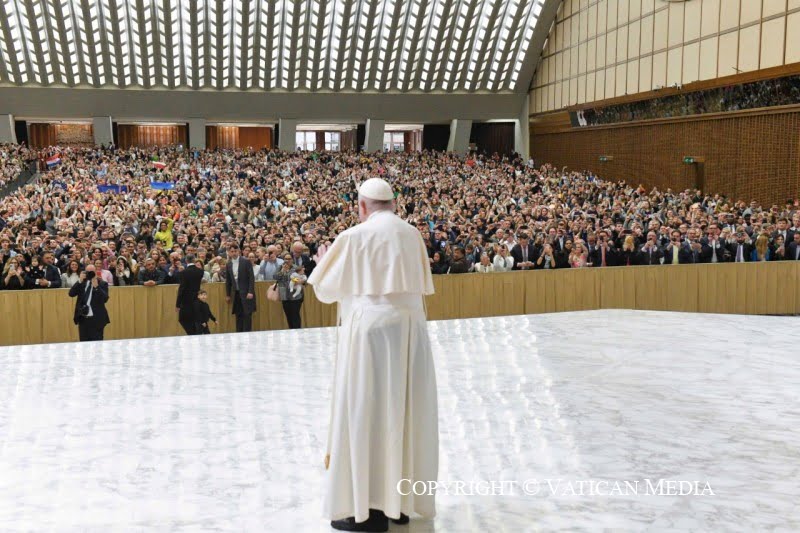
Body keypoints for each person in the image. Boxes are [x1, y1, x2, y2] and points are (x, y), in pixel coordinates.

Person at [308, 177, 438, 532]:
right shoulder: (412, 234)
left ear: (361, 206)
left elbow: (325, 290)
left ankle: (365, 509)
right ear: (393, 205)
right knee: (405, 412)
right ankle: (399, 504)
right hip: (411, 329)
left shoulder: (353, 236)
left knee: (365, 412)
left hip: (369, 333)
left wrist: (322, 263)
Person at [68, 264, 110, 342]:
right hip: (83, 319)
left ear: (96, 272)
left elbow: (105, 299)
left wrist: (97, 287)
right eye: (88, 272)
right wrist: (79, 281)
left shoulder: (102, 284)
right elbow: (71, 294)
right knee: (84, 345)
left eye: (92, 272)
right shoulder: (82, 283)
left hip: (97, 320)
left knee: (97, 345)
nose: (90, 274)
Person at [225, 244, 256, 332]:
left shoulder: (245, 261)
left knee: (247, 314)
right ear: (229, 253)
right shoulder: (229, 264)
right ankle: (239, 333)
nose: (234, 253)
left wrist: (250, 291)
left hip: (246, 292)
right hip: (236, 293)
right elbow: (228, 281)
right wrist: (228, 295)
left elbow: (251, 278)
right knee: (238, 314)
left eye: (235, 251)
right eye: (231, 252)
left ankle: (247, 333)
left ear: (238, 251)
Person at [176, 254, 205, 335]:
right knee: (195, 318)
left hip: (186, 301)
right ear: (194, 260)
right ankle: (195, 333)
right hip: (197, 298)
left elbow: (182, 289)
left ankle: (192, 334)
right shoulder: (200, 271)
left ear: (186, 261)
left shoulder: (183, 273)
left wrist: (178, 304)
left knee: (183, 319)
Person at [275, 258, 305, 329]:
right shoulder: (280, 268)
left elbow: (304, 280)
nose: (287, 261)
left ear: (292, 260)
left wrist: (301, 281)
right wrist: (282, 271)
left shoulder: (296, 268)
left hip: (296, 297)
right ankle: (291, 330)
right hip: (285, 296)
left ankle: (297, 330)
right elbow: (275, 277)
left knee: (295, 315)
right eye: (285, 259)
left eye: (289, 259)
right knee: (288, 315)